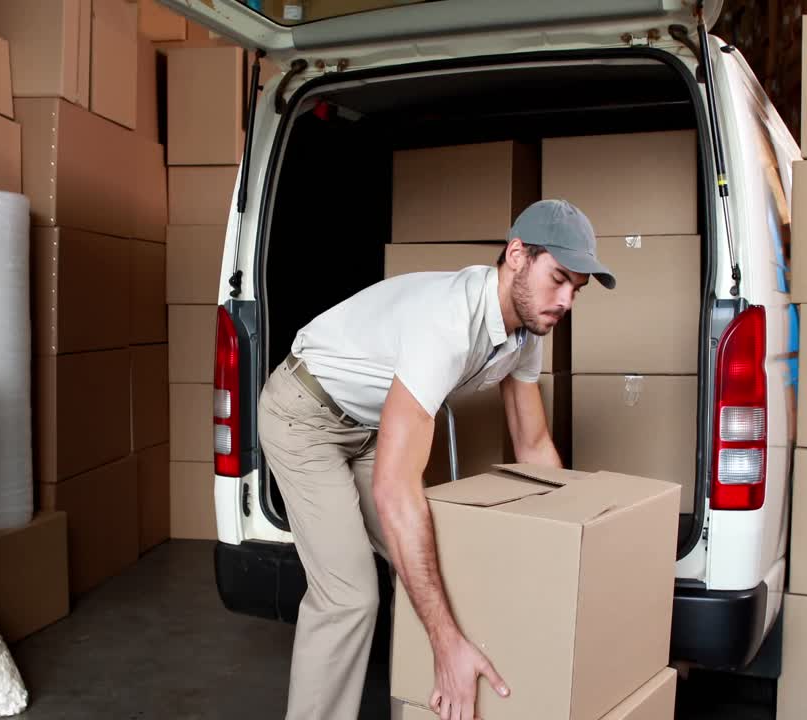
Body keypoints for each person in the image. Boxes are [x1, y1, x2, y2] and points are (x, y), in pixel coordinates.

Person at [257, 199, 616, 720]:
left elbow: (534, 446)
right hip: (305, 416)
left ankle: (424, 706)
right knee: (350, 597)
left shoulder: (525, 331)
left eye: (576, 290)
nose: (566, 301)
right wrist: (445, 644)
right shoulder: (447, 322)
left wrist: (576, 551)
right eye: (558, 279)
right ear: (517, 255)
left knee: (435, 570)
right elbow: (394, 490)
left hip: (370, 427)